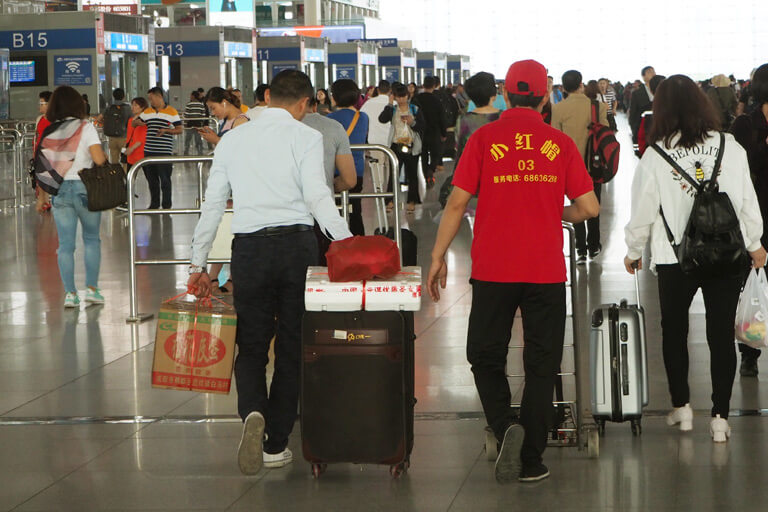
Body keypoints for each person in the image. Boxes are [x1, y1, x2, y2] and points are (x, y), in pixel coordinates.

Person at [428, 59, 599, 484]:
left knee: (485, 354)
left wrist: (436, 256)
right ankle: (531, 458)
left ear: (506, 92)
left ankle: (506, 427)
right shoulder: (558, 143)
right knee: (542, 362)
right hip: (544, 270)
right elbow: (590, 207)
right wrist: (554, 210)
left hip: (494, 269)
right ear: (545, 96)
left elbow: (455, 202)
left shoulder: (484, 139)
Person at [186, 69, 353, 475]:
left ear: (268, 97)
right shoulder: (307, 137)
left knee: (253, 344)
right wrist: (348, 244)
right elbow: (317, 195)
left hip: (250, 249)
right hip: (296, 246)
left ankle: (251, 415)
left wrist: (198, 263)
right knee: (294, 345)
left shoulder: (233, 139)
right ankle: (276, 443)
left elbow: (212, 205)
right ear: (303, 104)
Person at [624, 74, 766, 443]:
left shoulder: (655, 155)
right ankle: (720, 417)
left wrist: (633, 250)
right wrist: (755, 245)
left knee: (674, 332)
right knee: (721, 334)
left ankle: (682, 408)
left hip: (675, 259)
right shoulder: (729, 146)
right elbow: (746, 200)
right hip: (727, 254)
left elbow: (642, 210)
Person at [42, 86, 109, 308]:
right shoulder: (85, 127)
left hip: (60, 190)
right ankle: (92, 289)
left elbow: (43, 167)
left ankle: (70, 294)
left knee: (65, 245)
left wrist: (40, 197)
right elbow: (99, 160)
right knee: (91, 240)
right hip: (85, 189)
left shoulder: (50, 130)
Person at [731, 63, 768, 377]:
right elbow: (737, 171)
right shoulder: (746, 124)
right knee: (752, 281)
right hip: (756, 215)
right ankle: (750, 351)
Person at [552, 70, 609, 263]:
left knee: (576, 205)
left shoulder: (558, 109)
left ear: (563, 87)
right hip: (594, 165)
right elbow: (606, 135)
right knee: (594, 204)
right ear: (581, 84)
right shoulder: (598, 106)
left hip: (569, 167)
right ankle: (594, 245)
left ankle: (580, 249)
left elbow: (554, 140)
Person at [303, 96, 358, 263]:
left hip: (271, 223)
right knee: (317, 276)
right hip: (319, 216)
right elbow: (349, 180)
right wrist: (331, 185)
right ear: (313, 105)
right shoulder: (332, 127)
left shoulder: (255, 129)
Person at [439, 71, 501, 209]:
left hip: (470, 179)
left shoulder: (464, 120)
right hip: (499, 179)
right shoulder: (503, 118)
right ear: (494, 94)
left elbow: (458, 146)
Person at [327, 79, 369, 236]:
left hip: (336, 171)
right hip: (356, 171)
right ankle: (359, 244)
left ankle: (337, 245)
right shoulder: (363, 117)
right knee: (355, 211)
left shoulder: (330, 119)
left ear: (335, 97)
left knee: (335, 212)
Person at [379, 83, 426, 212]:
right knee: (393, 175)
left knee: (412, 175)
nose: (401, 99)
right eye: (398, 97)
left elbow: (422, 126)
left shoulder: (415, 109)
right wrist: (388, 104)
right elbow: (382, 119)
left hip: (411, 145)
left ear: (408, 95)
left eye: (403, 96)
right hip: (396, 145)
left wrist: (412, 122)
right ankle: (390, 200)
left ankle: (412, 201)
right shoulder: (393, 109)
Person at [133, 87, 182, 209]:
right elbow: (135, 123)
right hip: (149, 151)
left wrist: (166, 130)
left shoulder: (172, 112)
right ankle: (154, 204)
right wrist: (137, 123)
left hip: (164, 151)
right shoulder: (148, 112)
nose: (151, 101)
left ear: (159, 96)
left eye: (152, 98)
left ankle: (166, 204)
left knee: (165, 180)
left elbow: (180, 129)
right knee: (152, 181)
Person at [414, 76, 447, 189]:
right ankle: (431, 170)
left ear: (423, 85)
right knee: (435, 154)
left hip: (420, 132)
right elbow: (442, 118)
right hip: (434, 132)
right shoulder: (437, 101)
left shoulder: (417, 99)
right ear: (434, 86)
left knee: (423, 155)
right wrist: (444, 133)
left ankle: (425, 175)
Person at [636, 75, 666, 156]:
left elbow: (641, 137)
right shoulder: (680, 110)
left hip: (653, 155)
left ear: (651, 90)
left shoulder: (647, 111)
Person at [101, 88, 132, 165]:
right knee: (125, 161)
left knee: (114, 162)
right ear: (124, 96)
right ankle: (125, 176)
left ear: (113, 96)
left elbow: (100, 118)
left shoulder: (109, 108)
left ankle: (116, 176)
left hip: (112, 138)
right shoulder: (128, 108)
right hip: (124, 138)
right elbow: (132, 122)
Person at [34, 91, 53, 213]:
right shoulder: (39, 119)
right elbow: (36, 137)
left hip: (51, 155)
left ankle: (48, 200)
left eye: (43, 103)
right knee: (40, 179)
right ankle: (44, 201)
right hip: (39, 154)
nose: (40, 106)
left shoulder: (57, 121)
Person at [629, 66, 656, 150]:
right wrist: (635, 131)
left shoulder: (661, 91)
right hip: (643, 130)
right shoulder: (637, 93)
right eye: (649, 72)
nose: (653, 74)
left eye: (653, 71)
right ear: (643, 76)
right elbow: (633, 114)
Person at [124, 97, 148, 173]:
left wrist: (132, 148)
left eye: (135, 105)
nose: (132, 107)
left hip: (141, 152)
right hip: (131, 153)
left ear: (142, 107)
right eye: (132, 105)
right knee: (130, 176)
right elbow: (129, 136)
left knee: (149, 176)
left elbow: (142, 138)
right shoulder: (130, 120)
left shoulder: (144, 121)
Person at [182, 91, 207, 155]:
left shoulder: (189, 104)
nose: (190, 97)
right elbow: (203, 114)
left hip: (190, 123)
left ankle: (186, 151)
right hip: (198, 123)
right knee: (198, 138)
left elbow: (186, 115)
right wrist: (201, 122)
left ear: (193, 96)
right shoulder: (201, 104)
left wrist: (185, 124)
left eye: (191, 95)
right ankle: (200, 151)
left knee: (188, 138)